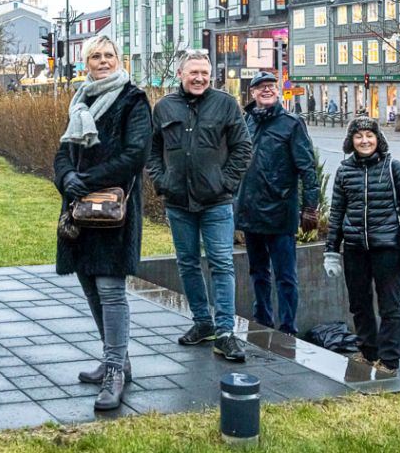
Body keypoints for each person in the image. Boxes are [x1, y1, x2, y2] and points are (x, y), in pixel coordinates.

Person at [53, 35, 151, 411]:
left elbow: (135, 155)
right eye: (95, 56)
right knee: (92, 289)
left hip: (113, 212)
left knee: (110, 290)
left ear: (119, 60)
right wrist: (66, 177)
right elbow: (64, 150)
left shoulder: (133, 100)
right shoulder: (81, 100)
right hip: (80, 212)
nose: (103, 61)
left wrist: (88, 180)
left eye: (109, 55)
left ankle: (114, 372)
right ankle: (117, 359)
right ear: (86, 63)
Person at [147, 50, 252, 361]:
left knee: (221, 263)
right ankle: (202, 323)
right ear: (180, 74)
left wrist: (225, 182)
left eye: (204, 73)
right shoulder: (164, 107)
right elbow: (152, 149)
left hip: (216, 202)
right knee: (188, 263)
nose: (199, 78)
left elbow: (243, 147)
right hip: (178, 202)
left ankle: (225, 332)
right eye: (193, 72)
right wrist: (162, 181)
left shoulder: (226, 104)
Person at [324, 117, 400, 377]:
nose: (364, 141)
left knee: (389, 305)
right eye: (359, 136)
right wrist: (331, 250)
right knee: (359, 303)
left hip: (387, 247)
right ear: (351, 140)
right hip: (355, 247)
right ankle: (368, 351)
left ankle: (389, 360)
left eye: (369, 135)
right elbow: (337, 212)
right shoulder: (345, 170)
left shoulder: (393, 168)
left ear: (378, 139)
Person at [236, 72, 319, 337]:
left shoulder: (291, 124)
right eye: (260, 87)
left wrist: (310, 207)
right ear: (252, 93)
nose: (267, 90)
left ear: (278, 90)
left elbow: (307, 168)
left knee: (286, 276)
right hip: (251, 210)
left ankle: (287, 329)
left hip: (281, 212)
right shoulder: (246, 122)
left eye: (271, 86)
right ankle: (262, 322)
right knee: (258, 272)